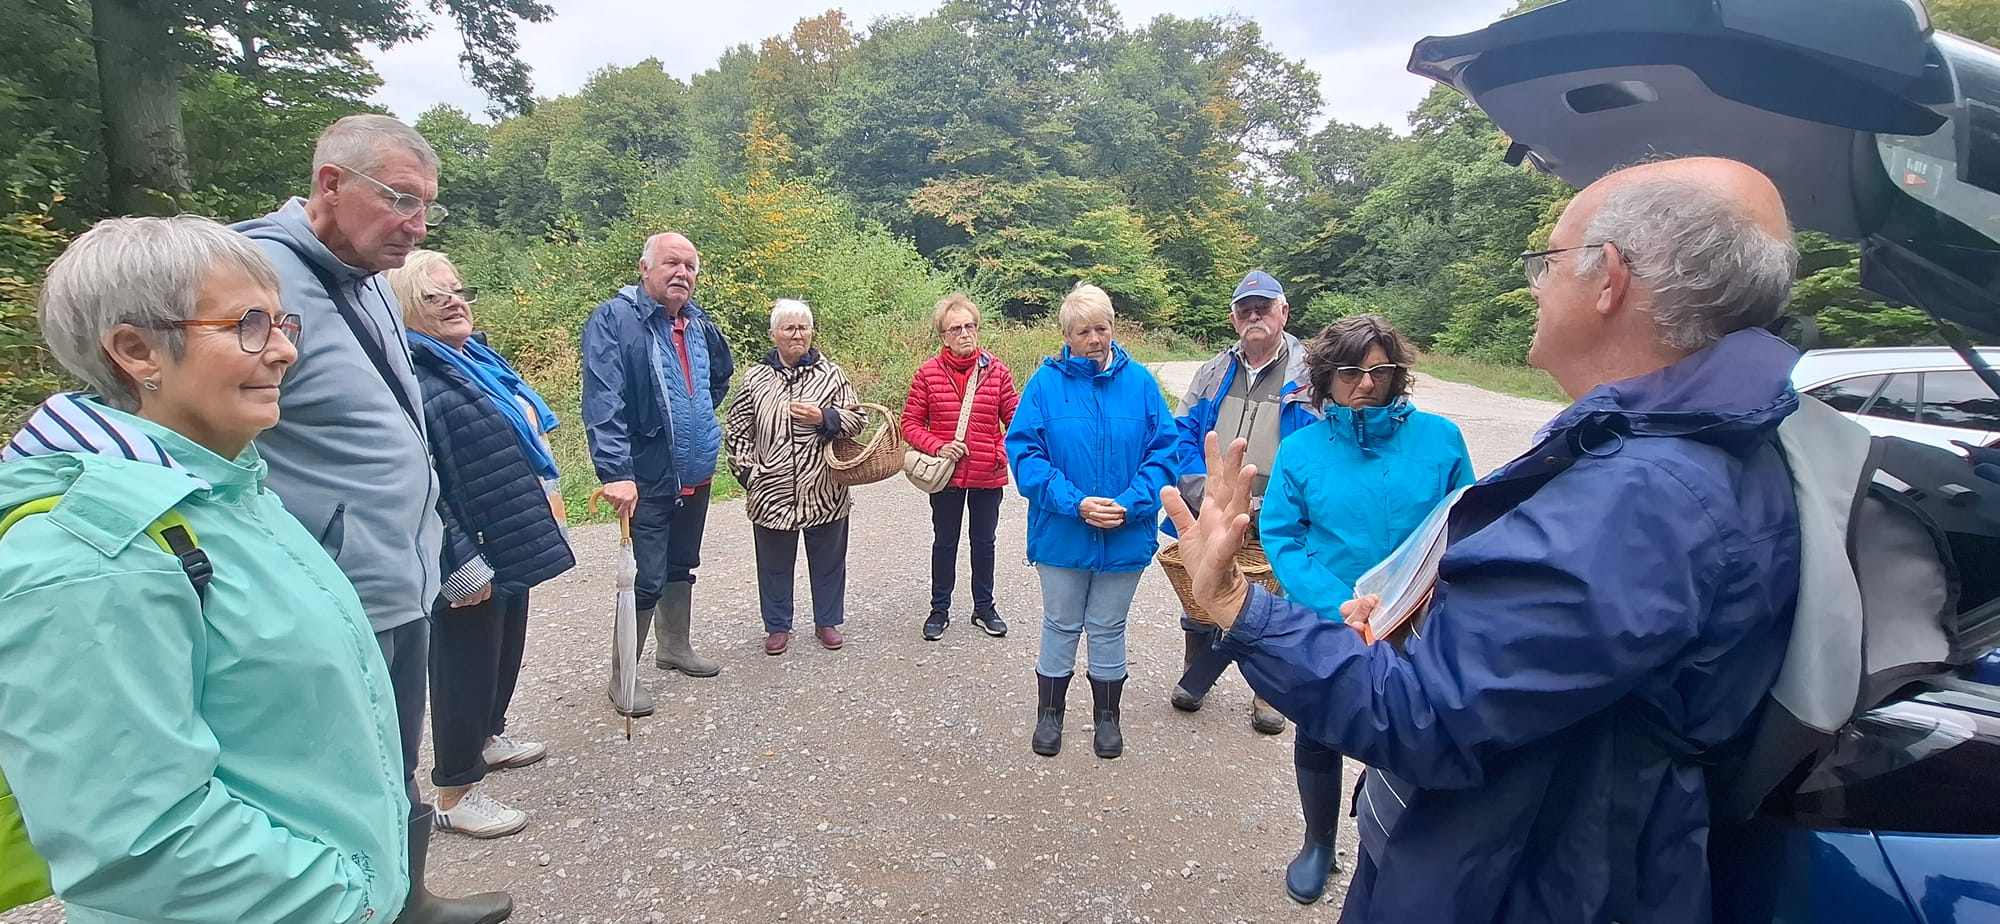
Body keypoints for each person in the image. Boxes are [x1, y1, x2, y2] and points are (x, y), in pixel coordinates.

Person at [1163, 156, 1804, 923]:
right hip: (1547, 840)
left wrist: (1233, 599)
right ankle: (1318, 836)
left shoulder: (1640, 498)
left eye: (1549, 260)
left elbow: (1425, 715)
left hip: (1534, 874)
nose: (1535, 283)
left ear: (1611, 281)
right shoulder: (1669, 456)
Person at [0, 216, 413, 921]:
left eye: (284, 323)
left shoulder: (225, 491)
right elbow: (140, 839)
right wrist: (348, 903)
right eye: (249, 325)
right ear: (136, 351)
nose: (283, 350)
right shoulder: (90, 555)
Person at [235, 114, 511, 921]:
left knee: (393, 749)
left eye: (427, 207)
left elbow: (393, 419)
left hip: (399, 566)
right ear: (331, 184)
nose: (416, 226)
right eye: (400, 201)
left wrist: (440, 539)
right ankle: (361, 903)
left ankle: (404, 896)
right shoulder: (254, 274)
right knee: (342, 761)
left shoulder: (363, 279)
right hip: (332, 575)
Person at [1257, 315, 1473, 905]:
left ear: (1397, 374)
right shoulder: (1302, 450)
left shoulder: (1440, 438)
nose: (1365, 384)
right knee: (1320, 730)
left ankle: (1409, 846)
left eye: (1379, 371)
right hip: (1337, 618)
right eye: (1351, 372)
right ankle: (1319, 842)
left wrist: (1430, 594)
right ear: (1326, 377)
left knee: (1421, 732)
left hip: (1423, 619)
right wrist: (1335, 602)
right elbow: (1283, 536)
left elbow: (1467, 525)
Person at [387, 251, 576, 839]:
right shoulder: (415, 378)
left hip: (508, 528)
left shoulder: (473, 362)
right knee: (464, 657)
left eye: (457, 290)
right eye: (433, 296)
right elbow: (423, 479)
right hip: (469, 544)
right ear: (401, 310)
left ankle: (488, 737)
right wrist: (459, 559)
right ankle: (453, 790)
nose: (454, 301)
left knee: (504, 642)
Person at [1006, 283, 1177, 759]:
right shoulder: (1044, 385)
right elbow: (1024, 455)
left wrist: (1131, 500)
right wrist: (1075, 502)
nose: (1095, 339)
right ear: (1066, 335)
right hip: (1062, 532)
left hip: (1126, 533)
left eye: (1101, 328)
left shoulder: (1141, 384)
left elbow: (1165, 452)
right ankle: (1050, 716)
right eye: (1083, 331)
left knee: (1108, 625)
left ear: (1113, 328)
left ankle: (1107, 719)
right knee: (1060, 623)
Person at [583, 231, 736, 717]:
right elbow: (603, 399)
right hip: (645, 472)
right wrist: (615, 470)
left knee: (680, 564)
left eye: (690, 266)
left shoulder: (697, 321)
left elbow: (720, 374)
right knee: (643, 577)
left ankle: (674, 647)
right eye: (672, 263)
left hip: (695, 466)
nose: (682, 274)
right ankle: (622, 677)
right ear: (644, 267)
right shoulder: (614, 319)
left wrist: (695, 422)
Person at [1166, 270, 1319, 734]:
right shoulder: (1212, 372)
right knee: (1200, 593)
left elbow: (1322, 450)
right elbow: (1181, 437)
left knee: (1278, 601)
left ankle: (1268, 692)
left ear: (1283, 312)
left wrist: (1270, 510)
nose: (1254, 316)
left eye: (1264, 307)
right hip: (1214, 510)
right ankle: (1197, 679)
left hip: (1283, 515)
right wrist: (1203, 496)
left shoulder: (1312, 374)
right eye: (1245, 309)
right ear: (1234, 319)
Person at [723, 299, 866, 655]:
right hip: (771, 491)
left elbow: (858, 421)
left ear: (811, 332)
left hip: (824, 488)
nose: (797, 334)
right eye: (789, 328)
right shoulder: (755, 378)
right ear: (773, 335)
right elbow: (737, 431)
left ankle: (827, 621)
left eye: (803, 327)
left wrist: (825, 418)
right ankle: (777, 626)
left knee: (829, 560)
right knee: (773, 564)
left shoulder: (832, 374)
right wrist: (751, 476)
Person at [902, 293, 1019, 641]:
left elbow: (1016, 422)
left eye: (970, 326)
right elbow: (910, 424)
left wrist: (999, 452)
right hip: (947, 475)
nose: (965, 333)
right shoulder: (927, 374)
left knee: (984, 542)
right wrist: (939, 446)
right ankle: (939, 609)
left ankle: (984, 608)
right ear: (943, 336)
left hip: (988, 472)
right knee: (945, 542)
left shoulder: (997, 372)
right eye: (956, 328)